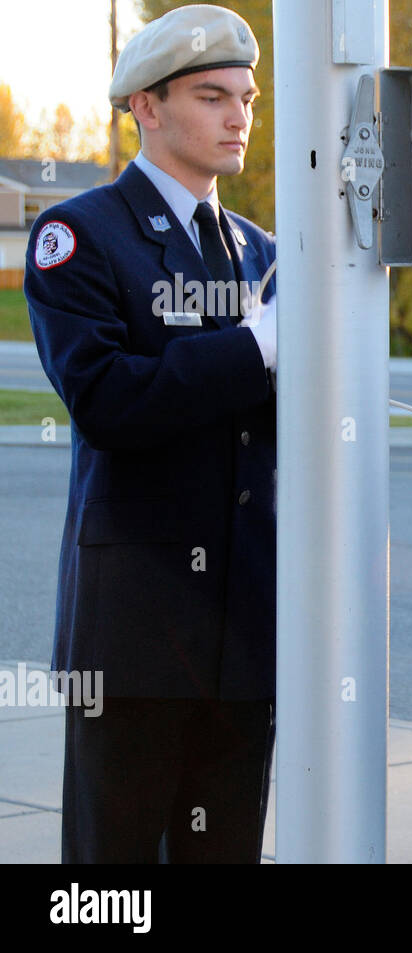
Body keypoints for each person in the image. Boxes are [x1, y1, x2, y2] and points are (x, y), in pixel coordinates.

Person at [25, 3, 278, 863]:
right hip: (134, 638)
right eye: (212, 96)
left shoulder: (265, 254)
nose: (238, 116)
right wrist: (255, 350)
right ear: (147, 106)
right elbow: (106, 400)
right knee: (111, 882)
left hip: (245, 632)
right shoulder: (82, 236)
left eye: (247, 98)